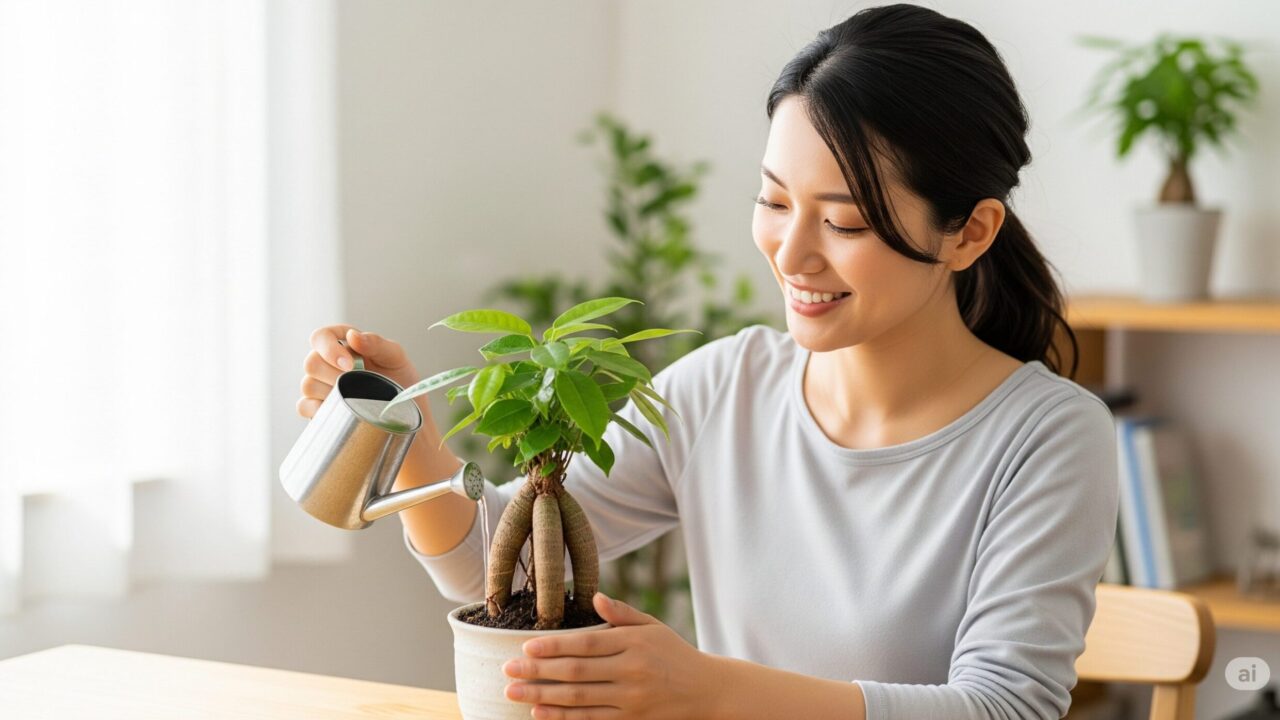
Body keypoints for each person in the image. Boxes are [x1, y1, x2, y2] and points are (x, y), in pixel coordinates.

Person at [297, 4, 1119, 719]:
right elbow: (494, 570)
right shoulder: (726, 385)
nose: (791, 254)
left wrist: (710, 693)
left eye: (845, 223)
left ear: (969, 232)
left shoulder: (1046, 436)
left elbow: (1006, 707)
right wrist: (404, 434)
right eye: (773, 202)